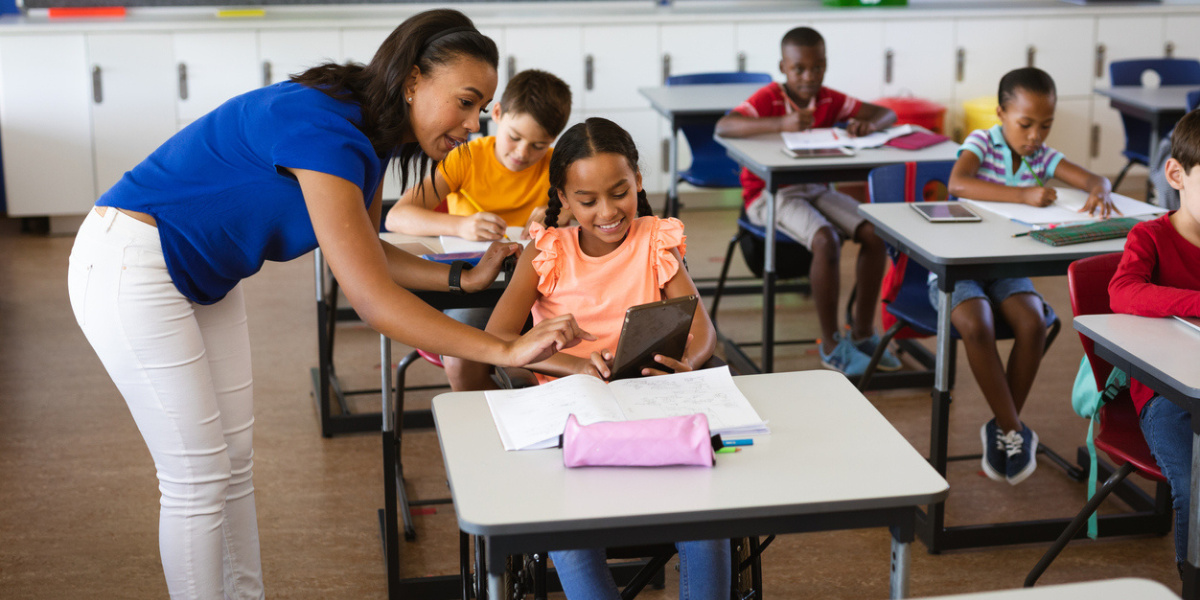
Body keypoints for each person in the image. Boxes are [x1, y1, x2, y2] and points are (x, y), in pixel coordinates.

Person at [65, 10, 592, 600]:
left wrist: (460, 282)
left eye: (481, 107)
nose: (474, 125)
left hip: (202, 277)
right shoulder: (327, 129)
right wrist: (505, 347)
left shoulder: (367, 129)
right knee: (198, 476)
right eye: (466, 102)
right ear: (414, 79)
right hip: (131, 262)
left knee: (234, 464)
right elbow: (370, 298)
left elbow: (370, 251)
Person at [484, 117, 730, 598]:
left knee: (707, 517)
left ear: (638, 180)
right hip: (570, 420)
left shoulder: (656, 240)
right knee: (566, 531)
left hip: (651, 408)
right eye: (587, 200)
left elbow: (702, 328)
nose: (607, 212)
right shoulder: (546, 252)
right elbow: (498, 338)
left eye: (619, 192)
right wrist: (569, 363)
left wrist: (689, 363)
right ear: (563, 197)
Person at [946, 67, 1118, 486]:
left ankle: (1005, 428)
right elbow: (958, 183)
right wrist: (1021, 194)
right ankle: (1012, 429)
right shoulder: (982, 143)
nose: (1035, 135)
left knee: (1033, 321)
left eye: (1045, 125)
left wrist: (1102, 188)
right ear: (1002, 112)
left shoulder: (1042, 157)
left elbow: (1094, 177)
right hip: (961, 264)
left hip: (1008, 268)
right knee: (976, 322)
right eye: (1025, 124)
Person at [714, 26, 900, 377]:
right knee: (825, 238)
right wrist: (780, 122)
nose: (808, 77)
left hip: (813, 188)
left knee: (877, 234)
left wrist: (868, 126)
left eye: (816, 68)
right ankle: (831, 346)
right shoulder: (768, 98)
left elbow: (884, 113)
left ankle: (861, 334)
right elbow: (725, 126)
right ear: (783, 67)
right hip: (769, 194)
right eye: (799, 69)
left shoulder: (829, 99)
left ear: (825, 65)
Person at [384, 68, 573, 390]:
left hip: (538, 291)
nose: (522, 153)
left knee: (559, 350)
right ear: (497, 113)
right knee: (461, 357)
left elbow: (588, 219)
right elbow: (397, 218)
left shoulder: (558, 167)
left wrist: (560, 215)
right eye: (514, 137)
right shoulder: (467, 157)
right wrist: (462, 225)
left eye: (538, 145)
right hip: (476, 288)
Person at [1110, 108, 1200, 577]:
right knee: (1194, 483)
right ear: (1176, 175)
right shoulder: (1151, 236)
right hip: (1163, 393)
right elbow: (1122, 291)